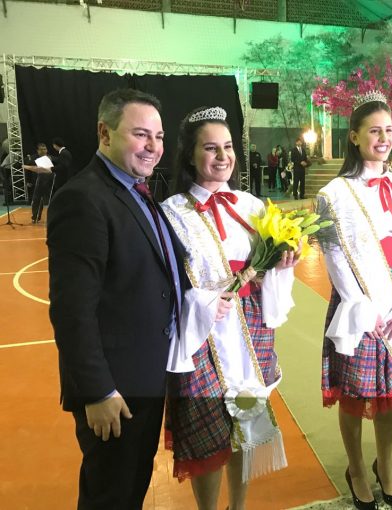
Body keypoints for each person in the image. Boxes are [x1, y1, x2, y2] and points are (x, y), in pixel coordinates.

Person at [48, 88, 186, 509]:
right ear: (104, 133)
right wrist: (97, 391)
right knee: (110, 495)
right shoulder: (84, 199)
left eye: (159, 137)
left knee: (130, 487)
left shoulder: (136, 192)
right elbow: (72, 309)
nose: (153, 147)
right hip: (116, 390)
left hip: (144, 376)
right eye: (141, 135)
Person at [160, 106, 299, 510]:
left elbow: (267, 270)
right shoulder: (171, 213)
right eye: (210, 148)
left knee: (246, 424)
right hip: (201, 337)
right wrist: (202, 301)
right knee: (207, 434)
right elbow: (167, 285)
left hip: (251, 332)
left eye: (227, 147)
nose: (223, 156)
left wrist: (281, 266)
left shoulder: (253, 206)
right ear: (189, 155)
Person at [316, 91, 392, 510]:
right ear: (355, 137)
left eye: (388, 130)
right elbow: (332, 256)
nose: (383, 138)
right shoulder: (333, 193)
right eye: (374, 131)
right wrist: (366, 308)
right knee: (355, 393)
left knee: (387, 392)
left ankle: (386, 466)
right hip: (357, 307)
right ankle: (358, 468)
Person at [23, 142, 54, 223]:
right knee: (36, 200)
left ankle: (53, 217)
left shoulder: (50, 158)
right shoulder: (32, 159)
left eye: (45, 149)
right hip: (38, 182)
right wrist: (28, 181)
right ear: (38, 151)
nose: (44, 151)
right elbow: (28, 169)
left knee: (51, 200)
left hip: (49, 182)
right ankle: (35, 217)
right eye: (41, 149)